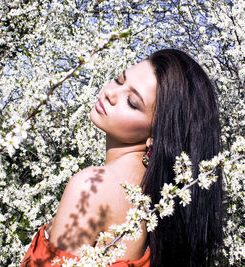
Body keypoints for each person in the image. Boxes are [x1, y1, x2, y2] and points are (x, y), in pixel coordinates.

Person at [21, 49, 223, 267]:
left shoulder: (93, 186)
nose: (111, 93)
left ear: (157, 135)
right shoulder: (154, 200)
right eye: (119, 80)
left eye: (133, 102)